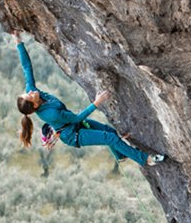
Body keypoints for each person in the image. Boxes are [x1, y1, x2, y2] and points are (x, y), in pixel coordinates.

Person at [12, 32, 165, 166]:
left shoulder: (33, 92)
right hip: (73, 135)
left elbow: (27, 68)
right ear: (35, 105)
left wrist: (18, 42)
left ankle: (121, 155)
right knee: (110, 138)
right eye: (29, 95)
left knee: (109, 131)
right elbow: (76, 118)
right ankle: (146, 159)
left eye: (28, 93)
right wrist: (96, 103)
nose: (31, 91)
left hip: (74, 125)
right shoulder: (51, 114)